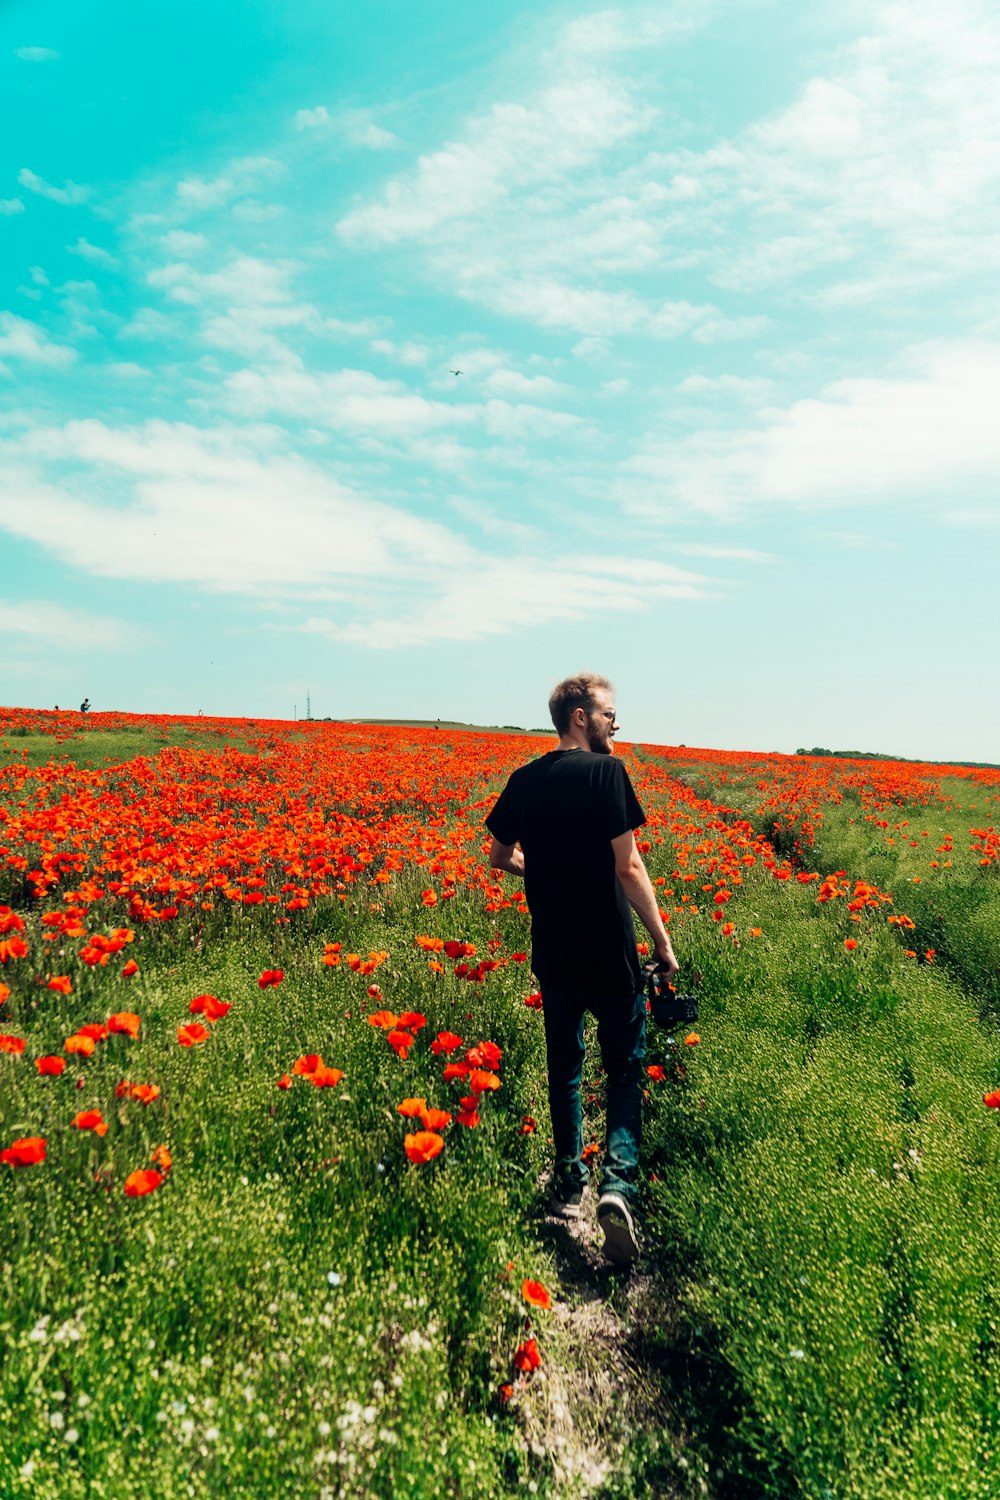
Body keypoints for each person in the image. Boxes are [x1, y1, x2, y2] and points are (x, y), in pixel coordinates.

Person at [486, 673, 678, 1265]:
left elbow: (497, 856)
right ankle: (617, 1187)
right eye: (609, 715)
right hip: (611, 955)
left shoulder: (524, 780)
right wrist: (664, 946)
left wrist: (543, 873)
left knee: (564, 1065)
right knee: (623, 1073)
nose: (615, 725)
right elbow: (629, 868)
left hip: (555, 954)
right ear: (579, 717)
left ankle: (568, 1185)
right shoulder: (608, 775)